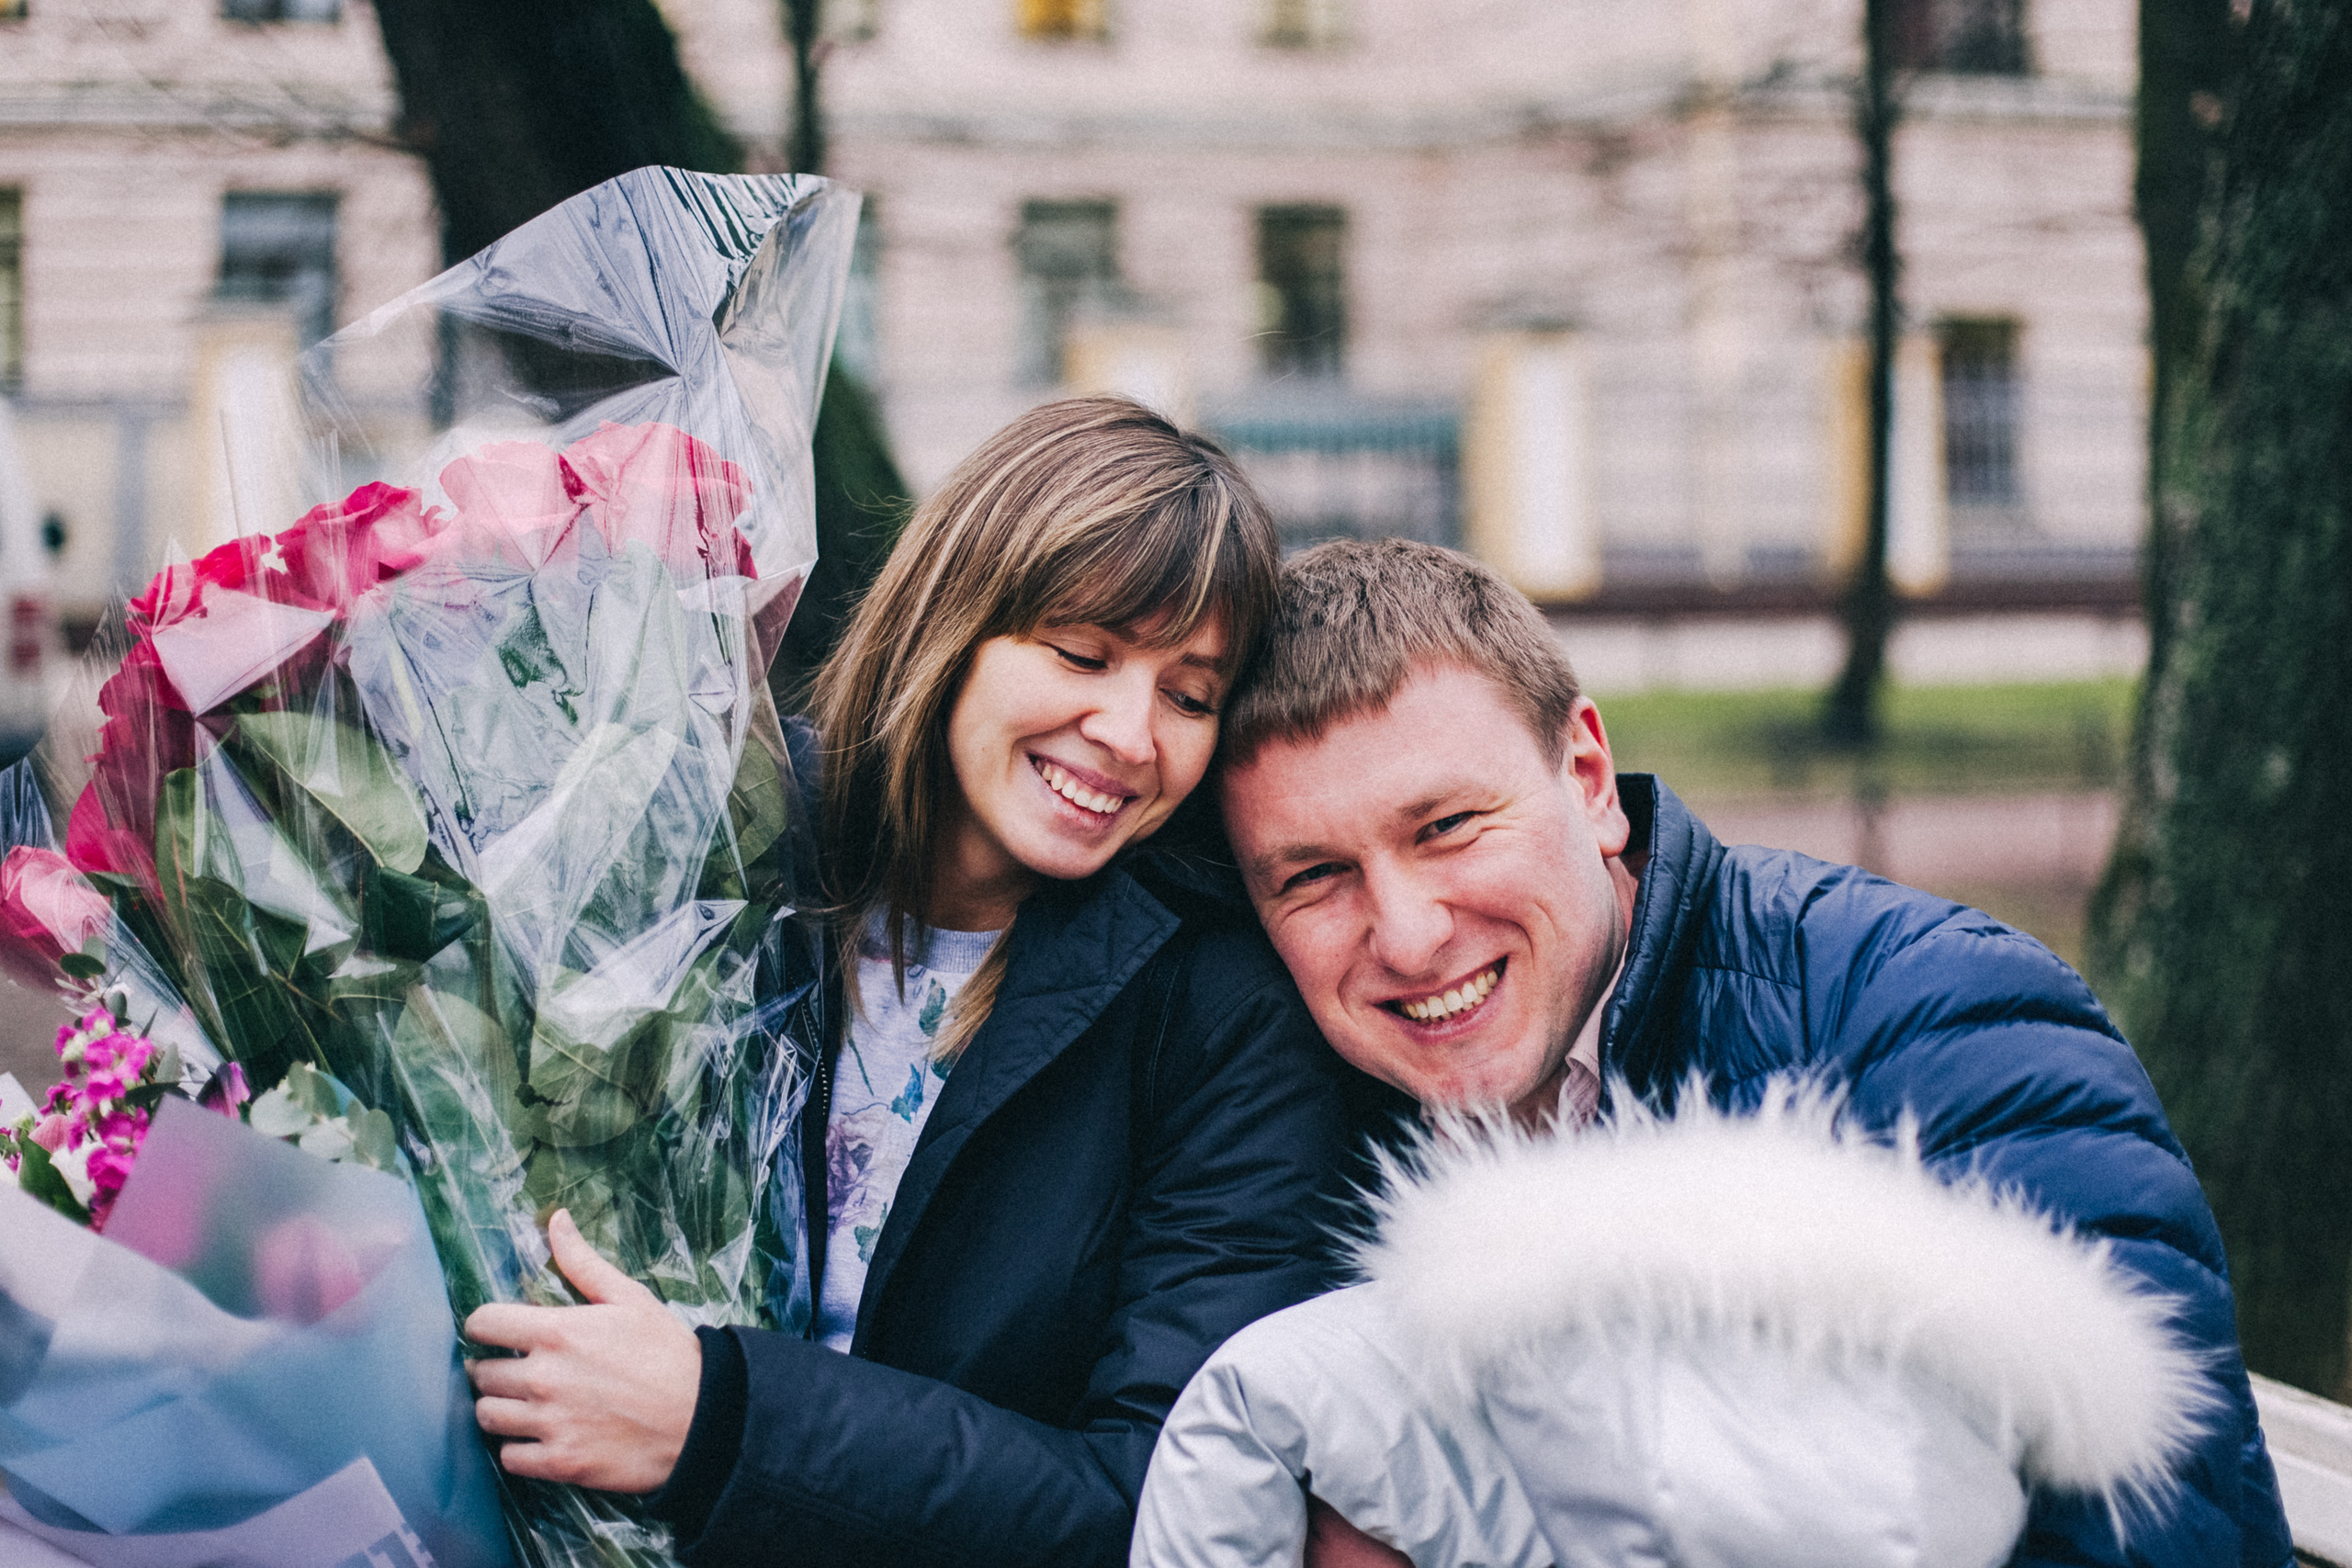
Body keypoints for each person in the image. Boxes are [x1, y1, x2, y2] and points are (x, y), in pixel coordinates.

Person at [1155, 537, 2292, 1567]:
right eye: (1312, 877)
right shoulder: (1283, 1114)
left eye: (1445, 826)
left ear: (1588, 782)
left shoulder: (1926, 1016)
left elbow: (2161, 1531)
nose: (1405, 935)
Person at [461, 397, 1361, 1565]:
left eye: (1189, 696)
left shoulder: (1225, 1014)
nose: (1132, 732)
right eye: (1081, 653)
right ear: (955, 619)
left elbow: (1168, 1496)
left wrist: (722, 1421)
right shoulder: (709, 864)